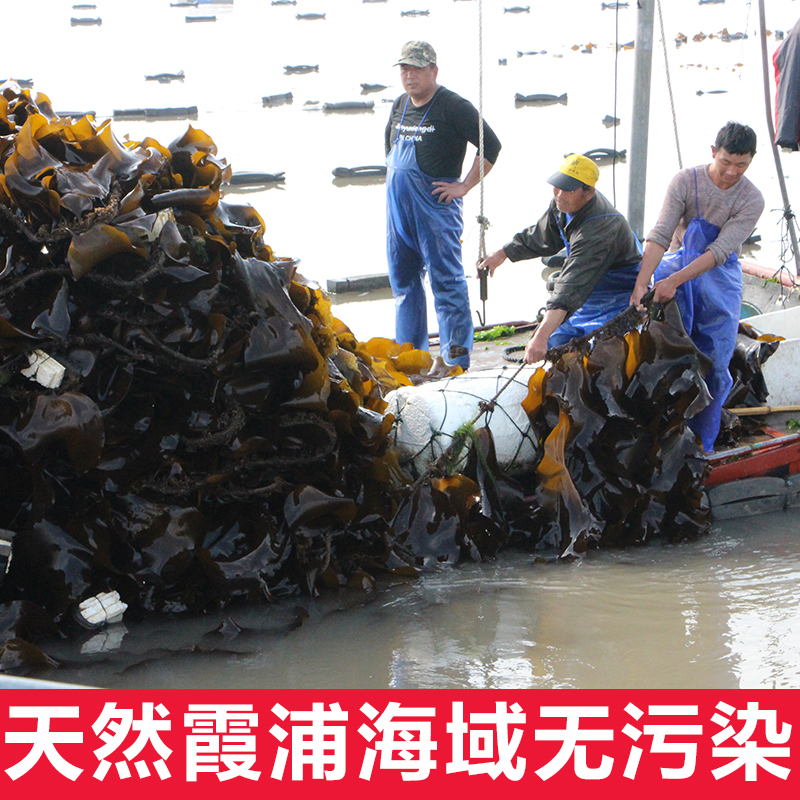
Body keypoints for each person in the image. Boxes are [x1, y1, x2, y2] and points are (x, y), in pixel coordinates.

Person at [629, 121, 765, 453]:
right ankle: (662, 438)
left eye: (741, 165)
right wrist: (642, 283)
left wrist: (675, 281)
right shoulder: (685, 181)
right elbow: (660, 233)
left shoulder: (752, 199)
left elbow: (719, 251)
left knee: (715, 363)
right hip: (675, 263)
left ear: (751, 160)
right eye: (726, 162)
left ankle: (702, 443)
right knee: (670, 357)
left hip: (719, 277)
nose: (732, 172)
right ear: (713, 152)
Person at [385, 40, 501, 370]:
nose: (410, 75)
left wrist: (464, 185)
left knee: (446, 283)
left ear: (433, 70)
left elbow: (491, 145)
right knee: (404, 284)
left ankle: (455, 359)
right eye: (405, 68)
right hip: (399, 214)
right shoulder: (399, 105)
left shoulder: (453, 106)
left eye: (417, 68)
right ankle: (411, 357)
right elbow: (388, 150)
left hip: (436, 210)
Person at [480, 153, 643, 364]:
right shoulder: (563, 204)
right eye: (557, 186)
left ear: (589, 192)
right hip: (587, 297)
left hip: (617, 297)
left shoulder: (600, 227)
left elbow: (570, 285)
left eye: (569, 189)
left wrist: (540, 335)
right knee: (555, 345)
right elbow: (541, 235)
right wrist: (502, 253)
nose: (559, 194)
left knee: (599, 357)